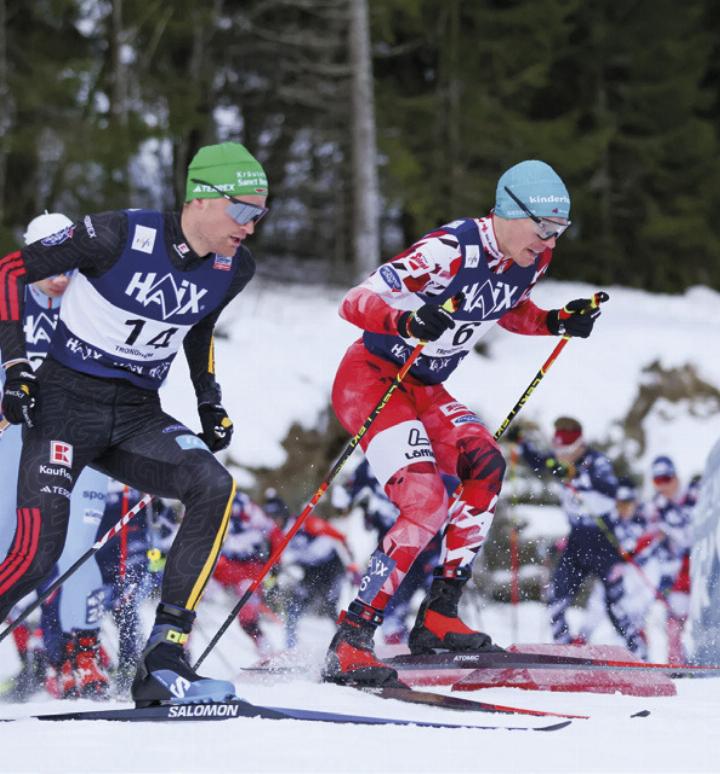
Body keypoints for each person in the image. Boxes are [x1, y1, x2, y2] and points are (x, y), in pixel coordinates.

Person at [0, 142, 268, 706]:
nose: (250, 226)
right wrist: (15, 367)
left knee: (213, 485)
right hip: (64, 408)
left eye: (260, 214)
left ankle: (165, 659)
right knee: (38, 551)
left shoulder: (233, 266)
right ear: (201, 199)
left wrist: (208, 401)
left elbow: (199, 328)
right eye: (243, 210)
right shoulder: (115, 234)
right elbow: (7, 271)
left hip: (137, 415)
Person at [322, 160, 604, 687]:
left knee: (486, 465)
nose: (549, 242)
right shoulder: (450, 250)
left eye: (559, 232)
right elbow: (353, 301)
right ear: (508, 212)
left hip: (426, 387)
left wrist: (553, 322)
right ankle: (352, 636)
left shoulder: (529, 260)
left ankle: (438, 615)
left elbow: (505, 307)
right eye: (543, 228)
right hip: (373, 376)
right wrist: (403, 320)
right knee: (425, 500)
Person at [0, 212, 111, 701]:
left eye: (69, 261)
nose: (62, 274)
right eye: (50, 260)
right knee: (8, 545)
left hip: (77, 441)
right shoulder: (10, 297)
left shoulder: (97, 296)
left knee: (76, 548)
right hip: (13, 439)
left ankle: (80, 655)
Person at [514, 418, 647, 656]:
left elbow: (610, 489)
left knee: (615, 607)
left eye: (565, 451)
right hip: (576, 541)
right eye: (558, 450)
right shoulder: (559, 461)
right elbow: (537, 460)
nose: (561, 455)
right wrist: (521, 442)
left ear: (579, 444)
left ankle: (640, 655)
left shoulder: (596, 461)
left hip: (603, 540)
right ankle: (564, 651)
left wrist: (576, 474)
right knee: (556, 596)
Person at [211, 491, 284, 655]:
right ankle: (182, 649)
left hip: (249, 570)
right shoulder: (215, 513)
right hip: (224, 569)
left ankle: (265, 647)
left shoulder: (255, 514)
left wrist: (275, 564)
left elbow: (276, 536)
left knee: (247, 616)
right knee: (190, 601)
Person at [645, 455, 693, 661]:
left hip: (700, 568)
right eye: (658, 481)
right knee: (673, 620)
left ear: (676, 477)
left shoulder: (695, 496)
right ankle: (677, 664)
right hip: (676, 573)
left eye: (667, 479)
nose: (663, 485)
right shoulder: (657, 506)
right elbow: (650, 537)